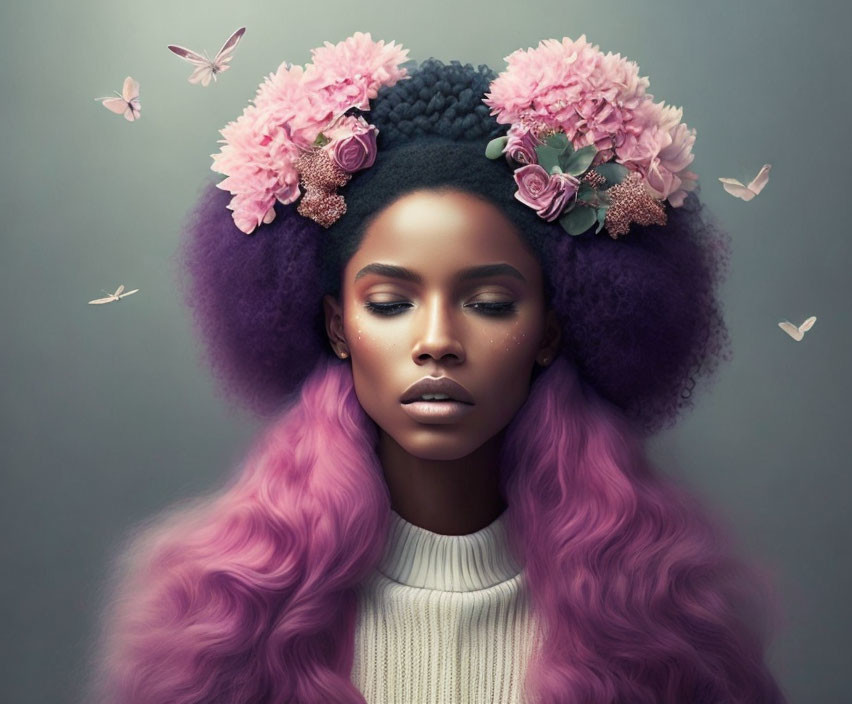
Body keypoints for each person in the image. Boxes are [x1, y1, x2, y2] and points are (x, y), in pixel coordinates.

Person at [91, 33, 786, 703]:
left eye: (488, 302)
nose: (437, 341)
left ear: (548, 330)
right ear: (338, 325)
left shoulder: (663, 631)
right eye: (390, 303)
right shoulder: (221, 620)